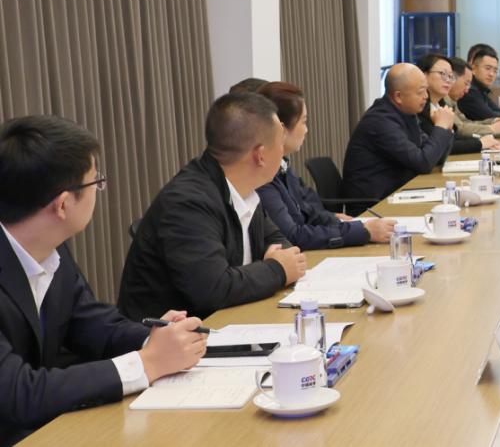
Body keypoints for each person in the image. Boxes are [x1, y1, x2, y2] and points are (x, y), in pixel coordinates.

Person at [0, 116, 206, 443]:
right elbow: (19, 394)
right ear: (63, 204)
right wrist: (146, 363)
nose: (99, 190)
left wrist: (155, 339)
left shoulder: (49, 247)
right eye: (95, 182)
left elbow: (91, 323)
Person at [118, 93, 308, 321]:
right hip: (178, 335)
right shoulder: (188, 203)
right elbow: (214, 289)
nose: (283, 151)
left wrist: (278, 260)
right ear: (260, 155)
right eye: (280, 143)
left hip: (232, 321)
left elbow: (278, 240)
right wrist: (277, 269)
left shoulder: (244, 189)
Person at [255, 81, 397, 250]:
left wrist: (335, 221)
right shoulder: (263, 178)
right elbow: (293, 236)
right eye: (303, 122)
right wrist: (362, 231)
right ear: (281, 129)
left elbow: (307, 210)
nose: (306, 130)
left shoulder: (283, 164)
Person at [341, 63, 455, 200]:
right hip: (374, 203)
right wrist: (441, 127)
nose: (426, 96)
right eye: (420, 92)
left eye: (426, 90)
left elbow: (435, 158)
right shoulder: (380, 121)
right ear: (398, 96)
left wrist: (447, 127)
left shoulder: (406, 113)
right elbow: (423, 163)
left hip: (397, 193)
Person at [415, 54, 500, 155]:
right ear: (423, 75)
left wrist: (481, 140)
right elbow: (439, 146)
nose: (448, 80)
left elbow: (454, 136)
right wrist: (480, 143)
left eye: (451, 76)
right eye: (443, 74)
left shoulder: (441, 104)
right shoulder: (418, 108)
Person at [445, 58, 500, 137]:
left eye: (495, 71)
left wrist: (496, 121)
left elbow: (466, 123)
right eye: (487, 68)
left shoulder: (452, 101)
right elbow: (460, 129)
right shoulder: (444, 100)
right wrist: (492, 128)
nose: (491, 74)